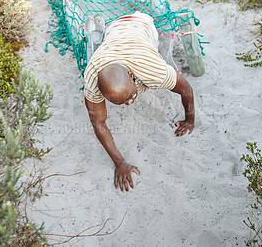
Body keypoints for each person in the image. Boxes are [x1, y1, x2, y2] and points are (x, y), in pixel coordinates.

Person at [84, 11, 195, 191]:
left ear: (131, 75)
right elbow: (98, 122)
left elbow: (186, 89)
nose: (129, 103)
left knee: (152, 48)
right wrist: (120, 163)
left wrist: (190, 120)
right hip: (114, 27)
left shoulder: (152, 70)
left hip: (142, 23)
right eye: (120, 102)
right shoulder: (91, 78)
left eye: (128, 96)